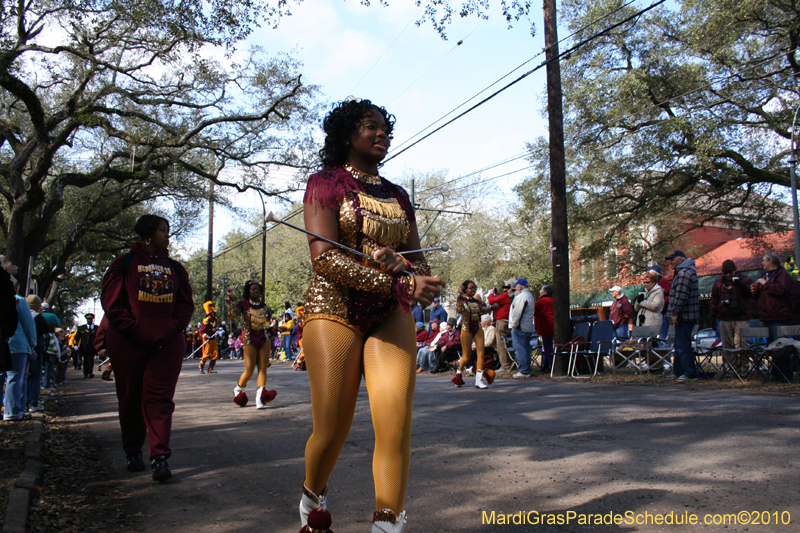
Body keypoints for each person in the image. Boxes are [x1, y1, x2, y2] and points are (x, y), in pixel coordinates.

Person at [298, 98, 443, 533]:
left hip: (388, 313)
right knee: (331, 431)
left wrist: (407, 268)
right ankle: (313, 495)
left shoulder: (398, 196)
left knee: (395, 423)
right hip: (334, 308)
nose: (381, 134)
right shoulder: (325, 183)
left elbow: (421, 265)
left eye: (385, 129)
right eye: (369, 126)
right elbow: (325, 259)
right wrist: (400, 282)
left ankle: (387, 522)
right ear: (347, 134)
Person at [101, 214, 194, 481]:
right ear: (148, 235)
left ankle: (160, 457)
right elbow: (111, 302)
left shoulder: (176, 268)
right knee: (130, 397)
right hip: (127, 341)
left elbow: (185, 304)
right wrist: (134, 328)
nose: (167, 235)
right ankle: (133, 451)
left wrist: (170, 328)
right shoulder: (123, 263)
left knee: (159, 399)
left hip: (167, 343)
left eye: (168, 230)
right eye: (163, 230)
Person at [225, 280, 277, 409]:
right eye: (253, 289)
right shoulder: (243, 304)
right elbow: (231, 315)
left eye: (258, 289)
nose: (256, 291)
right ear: (248, 291)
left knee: (263, 368)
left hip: (264, 339)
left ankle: (260, 397)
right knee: (249, 370)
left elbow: (262, 325)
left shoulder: (263, 306)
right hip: (249, 340)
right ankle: (239, 388)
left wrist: (273, 328)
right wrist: (229, 300)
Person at [4, 275, 37, 421]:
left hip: (2, 342)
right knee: (15, 378)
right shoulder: (18, 300)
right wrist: (32, 343)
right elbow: (28, 324)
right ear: (16, 287)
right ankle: (12, 411)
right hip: (16, 344)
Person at [451, 280, 496, 389]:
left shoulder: (476, 302)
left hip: (477, 328)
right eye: (471, 288)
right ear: (465, 289)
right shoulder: (462, 300)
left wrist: (492, 307)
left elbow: (481, 310)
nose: (473, 290)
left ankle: (479, 380)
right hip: (466, 330)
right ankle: (459, 374)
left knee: (481, 354)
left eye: (474, 287)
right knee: (466, 356)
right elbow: (459, 310)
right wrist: (459, 295)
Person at [665, 250, 700, 381]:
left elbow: (681, 296)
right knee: (679, 344)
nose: (670, 262)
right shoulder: (684, 272)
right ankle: (678, 371)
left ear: (680, 260)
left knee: (683, 344)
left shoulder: (684, 273)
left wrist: (675, 313)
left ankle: (690, 372)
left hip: (685, 315)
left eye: (672, 259)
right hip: (685, 314)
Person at [709, 260, 753, 349]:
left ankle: (742, 359)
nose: (728, 275)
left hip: (741, 316)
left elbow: (753, 295)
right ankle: (730, 359)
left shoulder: (745, 279)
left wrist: (742, 287)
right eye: (725, 273)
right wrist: (712, 316)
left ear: (735, 270)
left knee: (742, 343)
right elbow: (714, 300)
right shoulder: (718, 282)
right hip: (725, 316)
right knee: (727, 344)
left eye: (730, 272)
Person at [752, 252, 794, 342]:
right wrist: (755, 291)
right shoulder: (764, 275)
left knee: (780, 344)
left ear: (770, 261)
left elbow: (781, 290)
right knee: (770, 345)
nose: (762, 263)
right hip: (765, 317)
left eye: (763, 260)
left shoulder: (783, 275)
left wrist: (765, 283)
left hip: (779, 317)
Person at [25, 295, 50, 412]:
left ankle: (24, 403)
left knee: (23, 377)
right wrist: (40, 314)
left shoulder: (22, 314)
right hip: (35, 349)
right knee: (35, 377)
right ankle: (33, 403)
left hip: (23, 349)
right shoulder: (36, 316)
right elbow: (45, 328)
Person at [509, 278, 535, 378]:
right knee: (526, 349)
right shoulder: (529, 295)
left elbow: (517, 313)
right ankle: (526, 369)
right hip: (527, 326)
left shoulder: (521, 297)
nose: (515, 288)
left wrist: (514, 325)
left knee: (520, 349)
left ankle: (524, 371)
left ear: (520, 287)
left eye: (516, 286)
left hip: (520, 327)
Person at [488, 282, 514, 372]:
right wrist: (498, 294)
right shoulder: (511, 295)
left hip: (502, 321)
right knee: (508, 343)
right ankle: (511, 363)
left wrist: (491, 294)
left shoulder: (506, 295)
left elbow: (491, 301)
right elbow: (500, 299)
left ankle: (504, 365)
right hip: (508, 321)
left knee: (501, 344)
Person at [534, 285, 554, 373]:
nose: (540, 292)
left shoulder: (542, 301)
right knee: (547, 346)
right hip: (550, 325)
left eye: (541, 291)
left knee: (548, 346)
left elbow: (533, 309)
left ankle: (550, 365)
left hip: (546, 326)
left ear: (545, 292)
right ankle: (546, 364)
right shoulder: (552, 300)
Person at [198, 301, 220, 374]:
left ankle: (211, 368)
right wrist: (207, 336)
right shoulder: (206, 320)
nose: (215, 313)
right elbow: (201, 332)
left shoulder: (215, 320)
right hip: (207, 340)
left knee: (215, 354)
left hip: (213, 339)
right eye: (213, 312)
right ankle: (201, 366)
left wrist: (217, 332)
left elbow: (214, 328)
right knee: (206, 354)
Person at [75, 313, 98, 378]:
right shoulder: (82, 328)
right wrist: (75, 344)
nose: (89, 320)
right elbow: (77, 337)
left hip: (92, 347)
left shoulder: (96, 328)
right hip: (84, 347)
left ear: (92, 319)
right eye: (88, 319)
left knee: (91, 360)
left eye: (90, 319)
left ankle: (90, 372)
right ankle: (85, 373)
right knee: (85, 360)